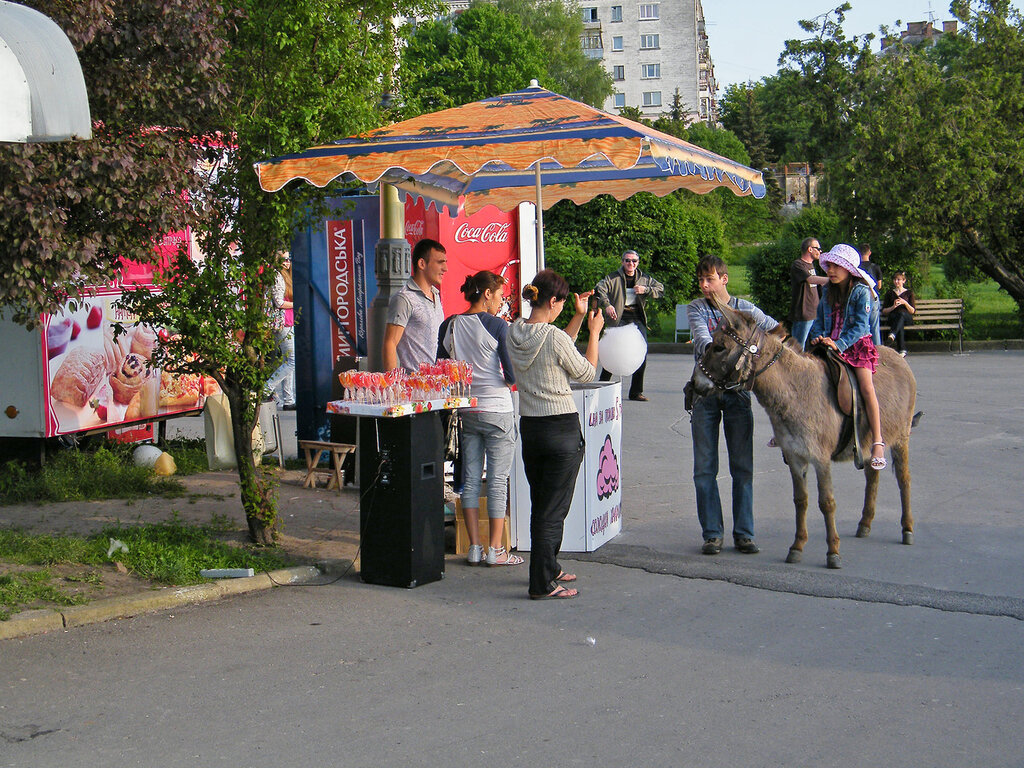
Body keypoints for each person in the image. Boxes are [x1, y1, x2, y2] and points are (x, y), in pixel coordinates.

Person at [507, 269, 603, 600]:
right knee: (553, 510)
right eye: (563, 303)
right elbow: (587, 372)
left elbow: (555, 343)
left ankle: (550, 567)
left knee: (543, 503)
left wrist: (575, 319)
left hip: (532, 428)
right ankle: (542, 583)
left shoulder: (515, 331)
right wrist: (594, 333)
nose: (565, 307)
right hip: (561, 428)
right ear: (553, 301)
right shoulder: (553, 337)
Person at [688, 254, 778, 555]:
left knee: (742, 467)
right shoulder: (697, 308)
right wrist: (738, 340)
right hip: (705, 393)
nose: (704, 285)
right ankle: (712, 534)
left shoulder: (745, 309)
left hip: (738, 392)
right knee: (704, 469)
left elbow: (776, 332)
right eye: (700, 280)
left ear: (724, 279)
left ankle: (744, 534)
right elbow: (704, 343)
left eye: (709, 279)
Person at [437, 271, 522, 567]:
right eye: (499, 296)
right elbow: (511, 374)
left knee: (470, 480)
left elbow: (442, 368)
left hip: (467, 409)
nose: (500, 302)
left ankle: (474, 547)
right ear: (486, 294)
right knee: (497, 481)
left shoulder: (449, 324)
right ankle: (495, 550)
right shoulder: (498, 325)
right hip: (498, 408)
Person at [808, 244, 887, 470]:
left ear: (848, 268)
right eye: (829, 266)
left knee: (866, 387)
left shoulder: (861, 291)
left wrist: (839, 343)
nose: (830, 270)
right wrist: (817, 337)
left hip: (855, 346)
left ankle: (878, 441)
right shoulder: (828, 291)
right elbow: (820, 321)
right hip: (829, 344)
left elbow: (861, 327)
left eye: (835, 266)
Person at [594, 250, 664, 401]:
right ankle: (601, 389)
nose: (631, 264)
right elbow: (599, 290)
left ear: (638, 263)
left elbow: (660, 289)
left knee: (641, 354)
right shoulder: (613, 278)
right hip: (618, 319)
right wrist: (607, 305)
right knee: (611, 354)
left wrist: (646, 290)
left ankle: (635, 392)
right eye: (627, 260)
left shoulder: (644, 278)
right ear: (622, 262)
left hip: (637, 319)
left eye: (634, 261)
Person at [382, 238, 447, 372]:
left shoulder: (436, 294)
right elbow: (390, 343)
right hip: (414, 386)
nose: (445, 268)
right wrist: (394, 385)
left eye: (445, 263)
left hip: (438, 385)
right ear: (422, 264)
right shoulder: (404, 298)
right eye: (440, 262)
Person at [265, 251, 296, 409]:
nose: (288, 262)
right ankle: (266, 388)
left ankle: (289, 400)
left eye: (289, 259)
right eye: (284, 259)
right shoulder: (277, 276)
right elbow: (278, 302)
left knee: (287, 361)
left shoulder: (288, 276)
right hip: (282, 323)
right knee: (292, 361)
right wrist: (296, 303)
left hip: (289, 321)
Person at [790, 237, 829, 349]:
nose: (820, 251)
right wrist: (832, 279)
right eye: (818, 248)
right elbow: (810, 279)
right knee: (797, 348)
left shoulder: (811, 266)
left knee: (815, 346)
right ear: (810, 249)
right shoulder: (798, 265)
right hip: (804, 313)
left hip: (814, 313)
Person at [881, 270, 916, 357]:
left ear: (904, 281)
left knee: (901, 316)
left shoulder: (909, 293)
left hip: (906, 317)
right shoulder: (890, 293)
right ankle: (902, 350)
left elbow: (912, 311)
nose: (896, 282)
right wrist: (893, 306)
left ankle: (893, 335)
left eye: (899, 279)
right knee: (899, 322)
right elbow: (884, 311)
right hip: (893, 317)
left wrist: (905, 303)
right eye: (895, 279)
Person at [858, 243, 883, 346]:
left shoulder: (856, 267)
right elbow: (879, 286)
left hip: (860, 298)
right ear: (870, 253)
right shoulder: (876, 267)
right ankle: (877, 348)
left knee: (863, 324)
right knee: (874, 325)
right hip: (873, 297)